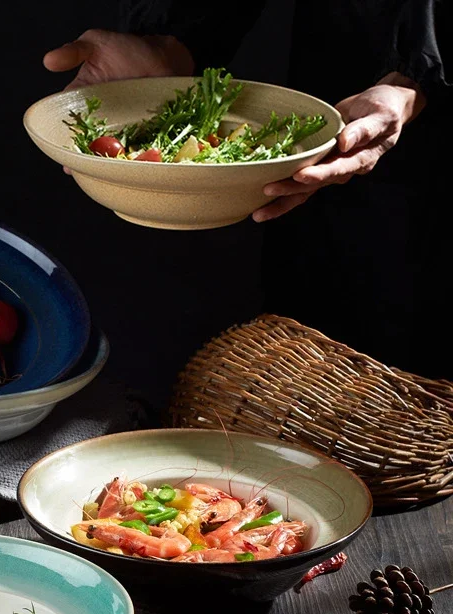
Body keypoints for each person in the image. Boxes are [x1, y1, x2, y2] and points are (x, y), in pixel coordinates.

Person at [42, 2, 450, 379]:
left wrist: (416, 75)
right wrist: (171, 38)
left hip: (430, 133)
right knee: (305, 345)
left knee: (409, 348)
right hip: (342, 60)